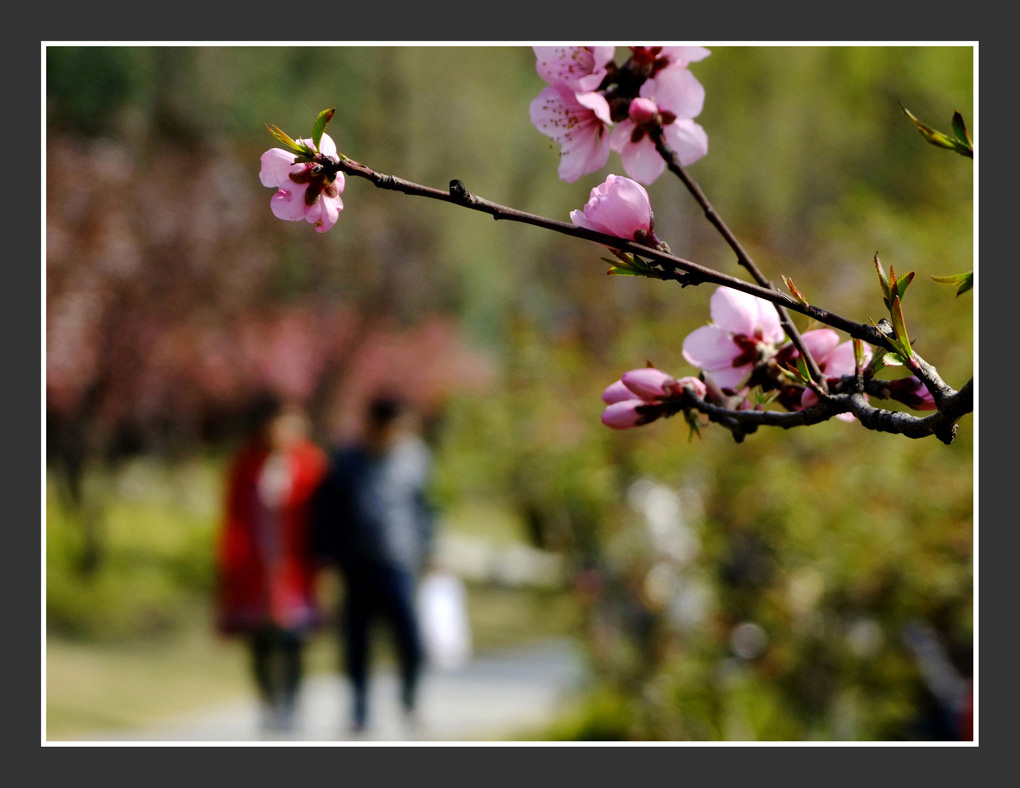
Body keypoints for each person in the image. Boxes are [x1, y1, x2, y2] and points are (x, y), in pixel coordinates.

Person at [313, 395, 436, 734]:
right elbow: (327, 512)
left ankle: (410, 699)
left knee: (409, 639)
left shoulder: (415, 459)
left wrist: (431, 548)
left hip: (399, 562)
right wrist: (325, 555)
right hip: (356, 564)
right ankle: (359, 710)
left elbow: (427, 507)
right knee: (357, 643)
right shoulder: (346, 461)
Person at [215, 394, 327, 732]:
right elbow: (232, 516)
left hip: (296, 566)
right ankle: (268, 703)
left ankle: (291, 705)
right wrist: (229, 560)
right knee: (260, 640)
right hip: (255, 565)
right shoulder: (245, 464)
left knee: (294, 640)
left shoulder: (311, 463)